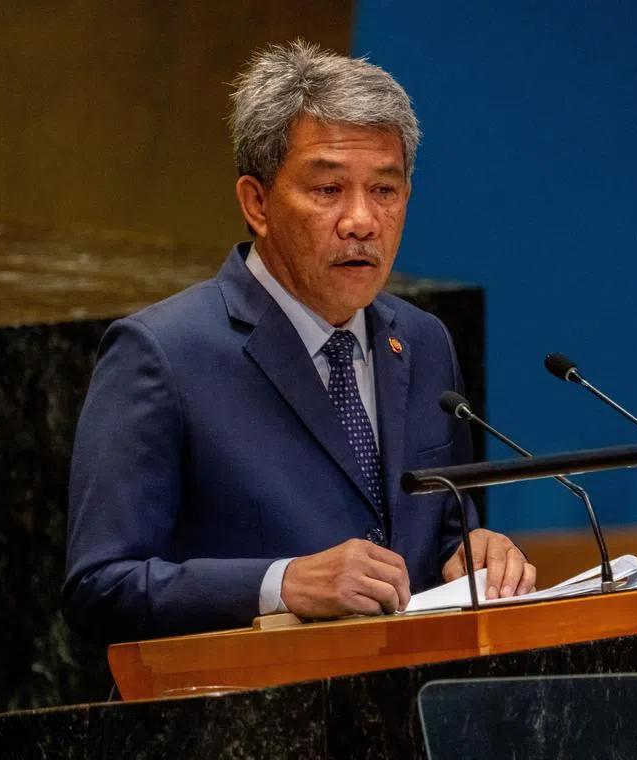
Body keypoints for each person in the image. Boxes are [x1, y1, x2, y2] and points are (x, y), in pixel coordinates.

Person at [62, 40, 535, 644]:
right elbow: (99, 588)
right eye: (329, 190)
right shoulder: (162, 354)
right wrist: (279, 584)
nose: (362, 221)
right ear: (256, 203)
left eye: (384, 191)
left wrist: (474, 549)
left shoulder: (423, 341)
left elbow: (439, 531)